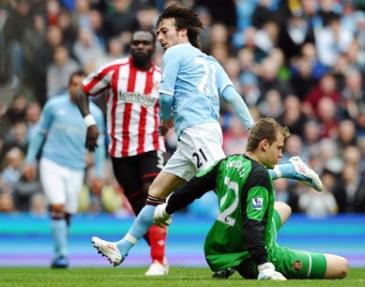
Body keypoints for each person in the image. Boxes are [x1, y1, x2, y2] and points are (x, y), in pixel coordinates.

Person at [86, 4, 322, 270]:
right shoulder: (210, 61)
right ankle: (122, 248)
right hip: (197, 136)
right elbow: (232, 95)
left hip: (197, 133)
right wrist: (251, 127)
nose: (160, 38)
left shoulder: (174, 54)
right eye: (158, 32)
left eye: (164, 31)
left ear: (182, 32)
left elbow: (165, 97)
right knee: (155, 193)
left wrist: (165, 119)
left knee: (230, 182)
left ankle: (291, 169)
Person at [153, 118, 348, 280]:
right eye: (278, 148)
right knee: (342, 267)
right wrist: (265, 266)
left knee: (284, 208)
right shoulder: (259, 176)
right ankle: (251, 262)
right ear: (264, 145)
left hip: (222, 245)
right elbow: (252, 225)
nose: (280, 154)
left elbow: (193, 187)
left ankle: (229, 265)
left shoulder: (228, 162)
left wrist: (167, 209)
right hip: (254, 256)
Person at [76, 29, 168, 276]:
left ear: (153, 48)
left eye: (145, 43)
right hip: (119, 151)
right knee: (141, 208)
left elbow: (175, 108)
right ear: (131, 46)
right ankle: (159, 256)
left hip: (151, 146)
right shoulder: (114, 70)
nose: (139, 46)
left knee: (154, 196)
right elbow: (82, 89)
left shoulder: (163, 78)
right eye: (135, 43)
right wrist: (89, 123)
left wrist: (170, 122)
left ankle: (157, 261)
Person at [23, 70, 106, 268]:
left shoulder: (95, 114)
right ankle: (62, 255)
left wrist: (99, 174)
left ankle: (59, 249)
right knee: (58, 206)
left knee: (68, 212)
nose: (77, 88)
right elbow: (39, 134)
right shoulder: (54, 106)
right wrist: (29, 160)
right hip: (51, 163)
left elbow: (99, 146)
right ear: (68, 86)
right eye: (74, 84)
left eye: (81, 85)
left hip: (77, 168)